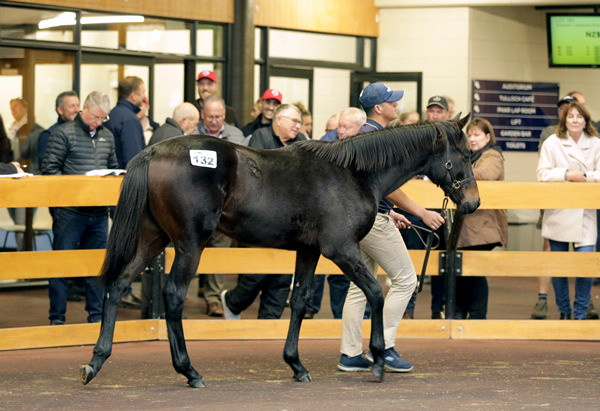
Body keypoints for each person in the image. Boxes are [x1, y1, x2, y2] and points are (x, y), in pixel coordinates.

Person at [338, 82, 445, 373]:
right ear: (378, 108)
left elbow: (372, 188)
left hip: (360, 218)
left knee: (359, 286)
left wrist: (391, 210)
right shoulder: (375, 138)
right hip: (373, 221)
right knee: (406, 280)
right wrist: (421, 211)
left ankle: (349, 354)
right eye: (391, 101)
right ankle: (382, 346)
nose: (396, 105)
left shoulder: (364, 136)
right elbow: (385, 185)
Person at [221, 104, 307, 320]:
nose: (298, 126)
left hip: (290, 221)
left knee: (281, 276)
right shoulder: (261, 136)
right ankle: (232, 301)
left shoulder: (303, 143)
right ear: (279, 120)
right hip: (259, 220)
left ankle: (270, 324)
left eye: (300, 122)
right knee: (256, 272)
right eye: (294, 121)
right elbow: (262, 174)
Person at [41, 91, 118, 325]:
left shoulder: (107, 136)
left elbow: (113, 166)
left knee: (96, 267)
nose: (98, 122)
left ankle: (96, 317)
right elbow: (49, 170)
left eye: (103, 118)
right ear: (84, 108)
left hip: (98, 213)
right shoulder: (63, 134)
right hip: (70, 213)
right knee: (61, 267)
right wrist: (68, 196)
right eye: (95, 116)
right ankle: (57, 318)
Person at [537, 100, 600, 320]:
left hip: (585, 213)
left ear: (586, 121)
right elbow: (542, 173)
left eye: (579, 116)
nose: (575, 120)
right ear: (565, 119)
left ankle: (581, 313)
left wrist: (585, 177)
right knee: (559, 267)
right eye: (571, 116)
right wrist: (565, 174)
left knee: (585, 266)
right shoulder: (552, 143)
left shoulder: (596, 143)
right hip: (559, 212)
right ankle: (564, 311)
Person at [305, 107, 367, 319]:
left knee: (345, 273)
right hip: (328, 219)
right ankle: (311, 308)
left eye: (346, 128)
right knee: (322, 267)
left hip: (353, 220)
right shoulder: (326, 145)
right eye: (339, 126)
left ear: (359, 129)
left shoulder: (366, 147)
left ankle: (342, 316)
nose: (340, 131)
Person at [197, 95, 248, 317]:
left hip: (224, 205)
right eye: (210, 117)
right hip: (195, 203)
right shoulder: (192, 135)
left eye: (218, 117)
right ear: (202, 115)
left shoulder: (236, 136)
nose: (214, 121)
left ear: (224, 116)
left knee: (219, 249)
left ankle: (214, 299)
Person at [402, 95, 450, 320]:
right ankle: (408, 308)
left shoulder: (452, 141)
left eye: (440, 111)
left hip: (441, 208)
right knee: (410, 258)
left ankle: (437, 309)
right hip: (414, 208)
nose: (435, 115)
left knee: (441, 260)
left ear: (448, 115)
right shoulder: (415, 138)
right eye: (432, 111)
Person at [531, 94, 578, 319]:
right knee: (550, 248)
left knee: (582, 251)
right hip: (555, 198)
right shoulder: (549, 133)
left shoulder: (590, 135)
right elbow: (544, 166)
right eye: (562, 109)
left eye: (570, 108)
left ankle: (582, 304)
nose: (565, 112)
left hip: (581, 201)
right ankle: (542, 298)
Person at [455, 118, 507, 319]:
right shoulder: (469, 156)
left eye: (476, 134)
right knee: (467, 270)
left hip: (485, 224)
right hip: (470, 225)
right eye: (469, 135)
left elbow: (486, 174)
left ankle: (476, 315)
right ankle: (464, 313)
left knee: (474, 271)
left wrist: (456, 172)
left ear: (487, 137)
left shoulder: (492, 155)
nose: (472, 139)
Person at [104, 75, 146, 169]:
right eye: (143, 92)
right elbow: (133, 158)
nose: (144, 96)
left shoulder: (111, 115)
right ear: (133, 96)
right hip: (124, 178)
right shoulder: (130, 119)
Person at [38, 91, 80, 169]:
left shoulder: (84, 131)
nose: (76, 110)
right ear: (60, 110)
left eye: (78, 105)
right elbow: (46, 167)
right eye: (72, 106)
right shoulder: (49, 134)